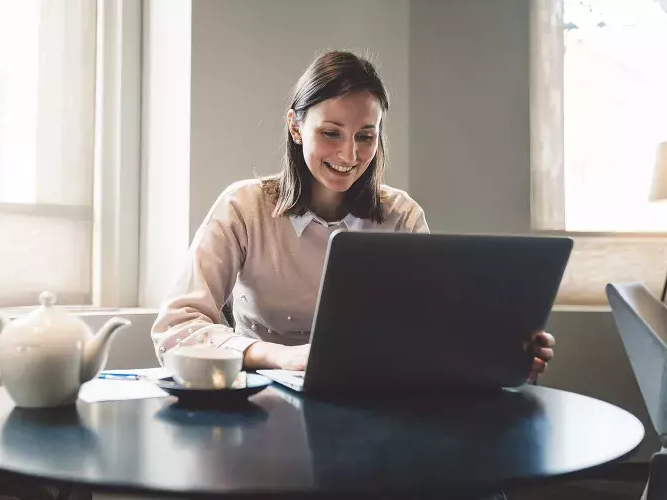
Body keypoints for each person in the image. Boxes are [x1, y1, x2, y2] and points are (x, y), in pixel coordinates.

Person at [150, 50, 554, 382]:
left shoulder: (402, 216)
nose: (349, 155)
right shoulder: (243, 207)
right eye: (330, 133)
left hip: (378, 403)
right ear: (295, 126)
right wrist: (278, 357)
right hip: (262, 402)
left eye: (366, 136)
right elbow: (175, 329)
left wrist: (500, 350)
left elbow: (433, 333)